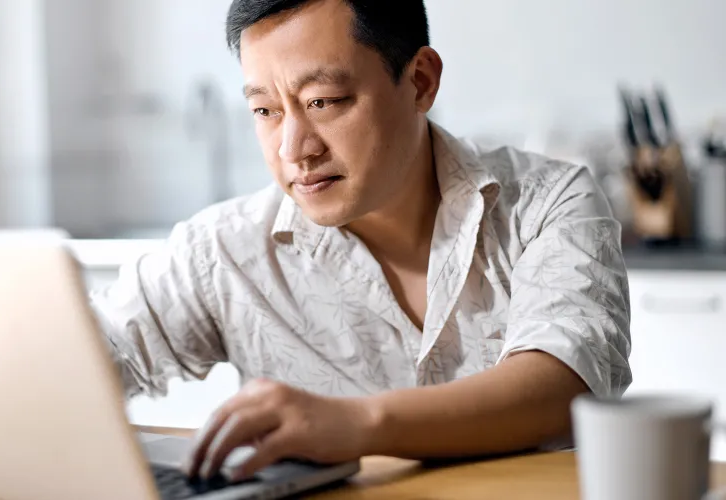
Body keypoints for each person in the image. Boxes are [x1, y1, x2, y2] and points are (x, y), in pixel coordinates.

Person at [90, 0, 631, 483]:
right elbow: (89, 359)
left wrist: (358, 424)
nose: (294, 149)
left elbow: (563, 384)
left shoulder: (547, 203)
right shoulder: (221, 253)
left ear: (420, 82)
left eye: (323, 101)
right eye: (265, 111)